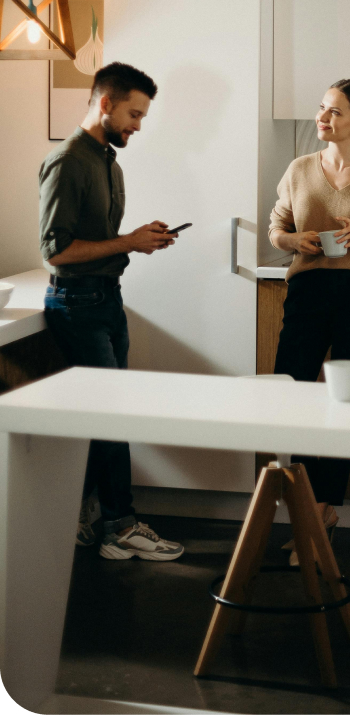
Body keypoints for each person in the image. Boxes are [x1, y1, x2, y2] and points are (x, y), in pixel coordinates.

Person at [39, 62, 184, 562]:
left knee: (108, 416)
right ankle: (120, 526)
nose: (138, 126)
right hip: (77, 305)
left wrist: (138, 239)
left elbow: (99, 242)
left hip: (106, 301)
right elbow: (54, 251)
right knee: (109, 417)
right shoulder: (67, 162)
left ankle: (95, 518)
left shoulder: (109, 162)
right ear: (105, 103)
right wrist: (128, 241)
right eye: (134, 114)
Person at [269, 79, 350, 551]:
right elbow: (276, 228)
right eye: (322, 108)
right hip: (307, 290)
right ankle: (307, 508)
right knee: (295, 392)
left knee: (345, 403)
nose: (322, 118)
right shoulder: (300, 168)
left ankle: (324, 512)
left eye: (334, 112)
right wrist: (294, 242)